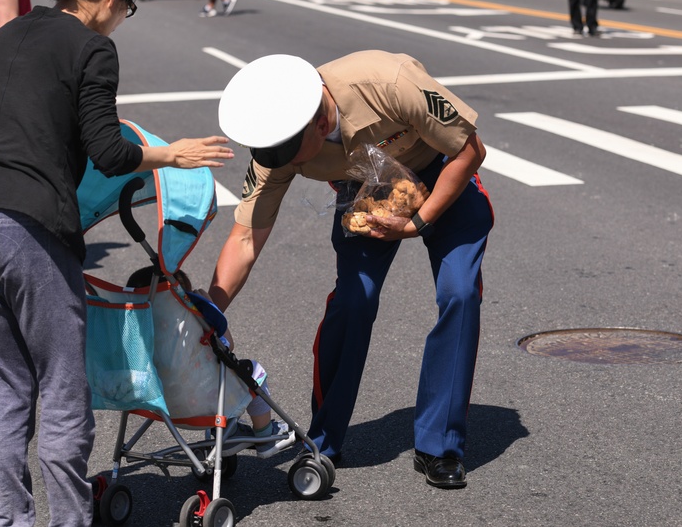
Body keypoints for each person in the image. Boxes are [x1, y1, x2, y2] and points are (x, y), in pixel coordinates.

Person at [0, 0, 234, 527]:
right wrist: (171, 155)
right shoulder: (92, 49)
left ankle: (4, 518)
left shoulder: (9, 35)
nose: (123, 17)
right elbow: (109, 152)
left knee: (5, 387)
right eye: (127, 5)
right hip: (29, 227)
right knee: (61, 386)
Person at [210, 51, 493, 489]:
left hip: (444, 170)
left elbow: (471, 149)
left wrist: (418, 223)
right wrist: (208, 311)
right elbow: (245, 238)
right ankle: (323, 438)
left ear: (321, 124)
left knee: (459, 293)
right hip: (371, 186)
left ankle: (440, 445)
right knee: (353, 301)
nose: (282, 162)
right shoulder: (278, 145)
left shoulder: (389, 83)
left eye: (291, 155)